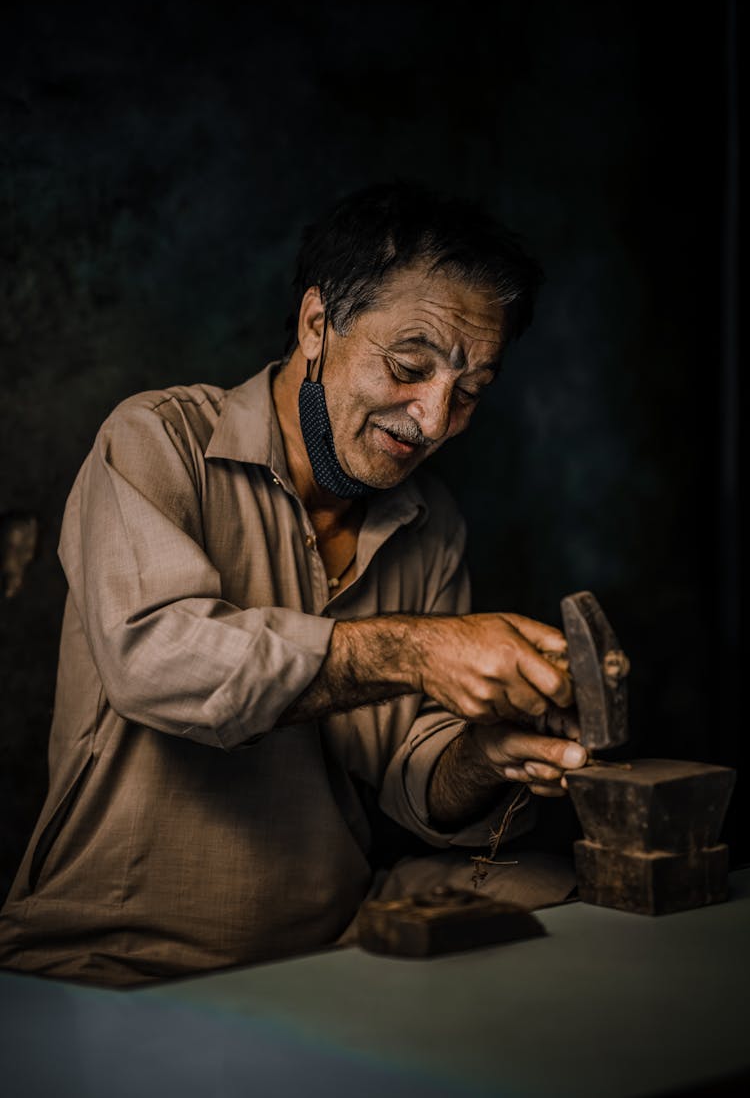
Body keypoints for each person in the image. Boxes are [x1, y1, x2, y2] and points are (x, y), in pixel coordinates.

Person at [0, 182, 587, 987]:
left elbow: (414, 775)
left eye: (471, 393)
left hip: (328, 953)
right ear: (318, 324)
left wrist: (485, 755)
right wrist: (418, 651)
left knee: (563, 905)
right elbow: (155, 660)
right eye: (410, 366)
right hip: (112, 961)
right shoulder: (154, 442)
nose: (434, 419)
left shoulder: (430, 521)